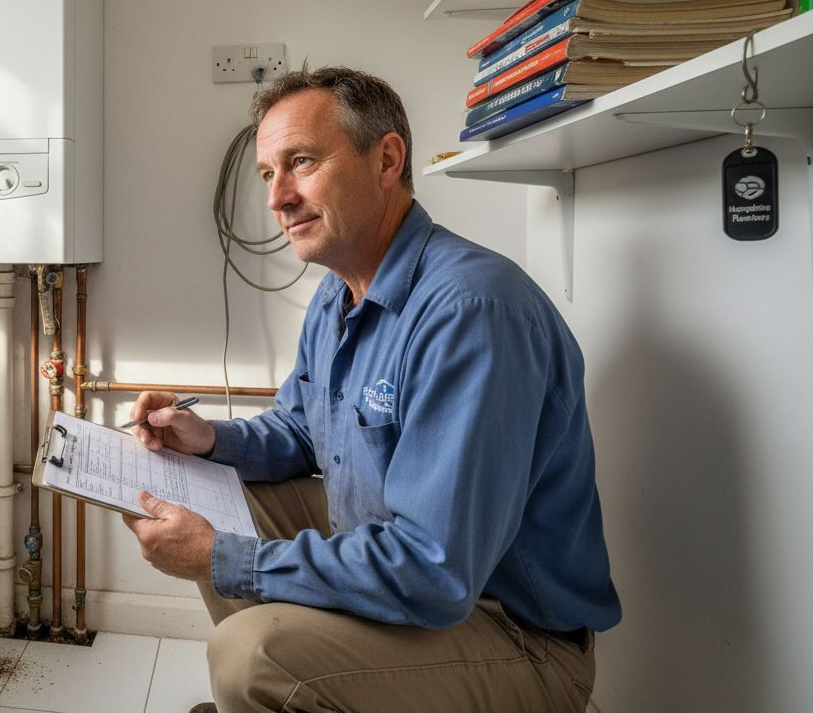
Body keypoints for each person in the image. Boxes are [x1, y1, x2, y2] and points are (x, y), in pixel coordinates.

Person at [122, 67, 620, 713]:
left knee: (249, 654)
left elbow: (434, 570)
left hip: (512, 636)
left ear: (386, 160)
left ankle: (278, 684)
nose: (278, 198)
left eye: (300, 162)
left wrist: (228, 559)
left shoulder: (470, 312)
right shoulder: (338, 292)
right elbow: (299, 432)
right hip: (424, 590)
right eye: (269, 174)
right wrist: (208, 438)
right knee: (219, 496)